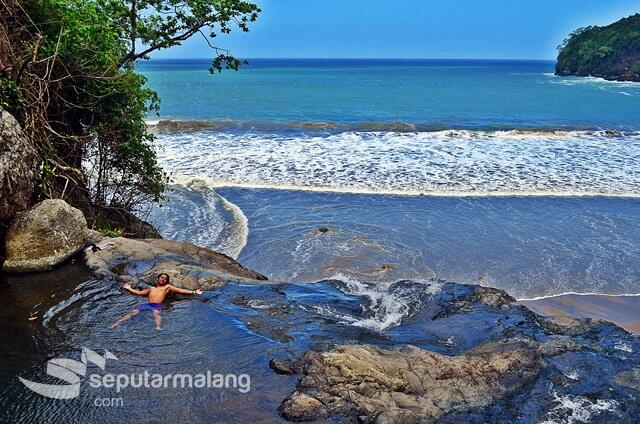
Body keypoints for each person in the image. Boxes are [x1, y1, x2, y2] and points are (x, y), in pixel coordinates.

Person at [110, 273, 204, 330]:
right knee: (133, 312)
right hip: (148, 304)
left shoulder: (167, 287)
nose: (163, 279)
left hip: (157, 305)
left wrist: (194, 292)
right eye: (162, 278)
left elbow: (180, 290)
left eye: (165, 279)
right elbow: (139, 293)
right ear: (157, 279)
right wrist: (129, 288)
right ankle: (117, 323)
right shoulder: (151, 288)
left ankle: (158, 327)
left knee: (157, 313)